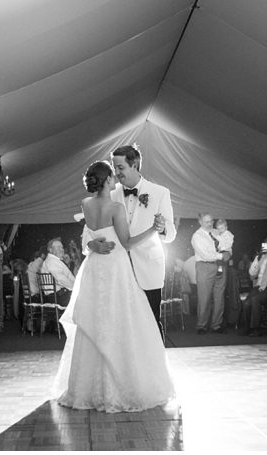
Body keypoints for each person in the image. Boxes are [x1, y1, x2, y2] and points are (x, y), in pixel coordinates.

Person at [53, 160, 174, 412]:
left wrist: (91, 245)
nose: (116, 178)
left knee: (96, 320)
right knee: (121, 321)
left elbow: (88, 234)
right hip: (116, 268)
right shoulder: (116, 206)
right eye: (113, 175)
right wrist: (153, 228)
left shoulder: (85, 205)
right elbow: (127, 243)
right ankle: (121, 383)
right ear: (108, 180)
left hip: (95, 268)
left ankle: (87, 388)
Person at [86, 144, 176, 340]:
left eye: (120, 168)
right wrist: (91, 245)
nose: (115, 173)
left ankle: (155, 369)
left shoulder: (160, 192)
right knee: (120, 326)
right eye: (114, 167)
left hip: (148, 268)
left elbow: (171, 235)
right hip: (117, 270)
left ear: (134, 165)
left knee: (151, 323)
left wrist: (162, 228)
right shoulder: (109, 192)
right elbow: (89, 230)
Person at [191, 213, 230, 334]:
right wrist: (222, 255)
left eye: (211, 221)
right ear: (200, 222)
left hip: (220, 266)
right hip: (205, 266)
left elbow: (228, 242)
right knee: (204, 297)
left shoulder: (217, 231)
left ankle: (216, 325)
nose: (210, 223)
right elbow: (205, 255)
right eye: (206, 221)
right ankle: (202, 325)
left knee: (219, 297)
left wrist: (228, 252)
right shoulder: (197, 236)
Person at [40, 238, 76, 307]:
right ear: (50, 250)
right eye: (58, 247)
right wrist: (76, 288)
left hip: (58, 296)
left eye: (62, 247)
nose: (61, 250)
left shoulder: (54, 260)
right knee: (86, 297)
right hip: (58, 297)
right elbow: (61, 279)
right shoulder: (52, 261)